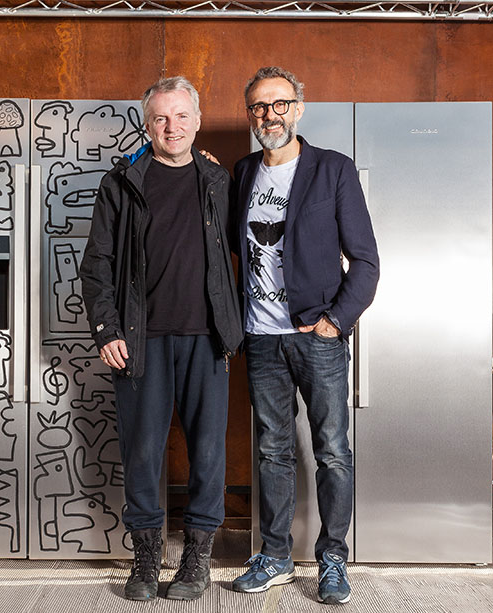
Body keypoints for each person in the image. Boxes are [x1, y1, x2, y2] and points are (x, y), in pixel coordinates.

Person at [79, 76, 243, 602]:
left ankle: (197, 561)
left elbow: (258, 244)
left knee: (208, 454)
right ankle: (146, 561)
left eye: (180, 116)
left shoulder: (220, 182)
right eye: (160, 118)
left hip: (207, 339)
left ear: (196, 119)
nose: (171, 127)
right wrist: (107, 330)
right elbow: (96, 265)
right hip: (140, 341)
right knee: (143, 453)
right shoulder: (122, 182)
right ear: (146, 124)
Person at [230, 66, 380, 605]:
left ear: (298, 107)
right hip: (260, 340)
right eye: (257, 107)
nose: (268, 115)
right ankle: (273, 556)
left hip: (316, 336)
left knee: (332, 452)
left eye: (278, 104)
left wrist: (334, 322)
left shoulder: (332, 170)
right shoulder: (242, 173)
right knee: (272, 452)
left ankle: (333, 559)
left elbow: (365, 261)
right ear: (250, 114)